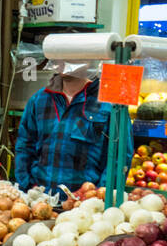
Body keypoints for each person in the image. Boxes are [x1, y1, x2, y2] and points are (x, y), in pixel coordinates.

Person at [14, 59, 121, 195]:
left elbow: (119, 156)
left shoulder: (108, 104)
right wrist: (27, 186)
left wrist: (98, 194)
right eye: (60, 56)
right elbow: (24, 146)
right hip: (41, 200)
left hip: (85, 206)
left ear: (89, 61)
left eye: (71, 58)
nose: (64, 63)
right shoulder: (39, 100)